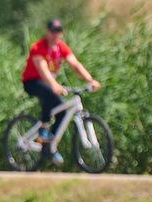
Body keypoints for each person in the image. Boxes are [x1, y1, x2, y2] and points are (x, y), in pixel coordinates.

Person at [21, 18, 101, 164]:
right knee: (49, 92)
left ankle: (50, 148)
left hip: (49, 84)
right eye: (52, 31)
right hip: (32, 82)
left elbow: (75, 64)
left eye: (58, 32)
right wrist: (54, 85)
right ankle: (43, 129)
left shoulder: (61, 48)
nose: (55, 35)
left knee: (62, 113)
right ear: (47, 32)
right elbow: (43, 70)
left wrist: (90, 80)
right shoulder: (37, 48)